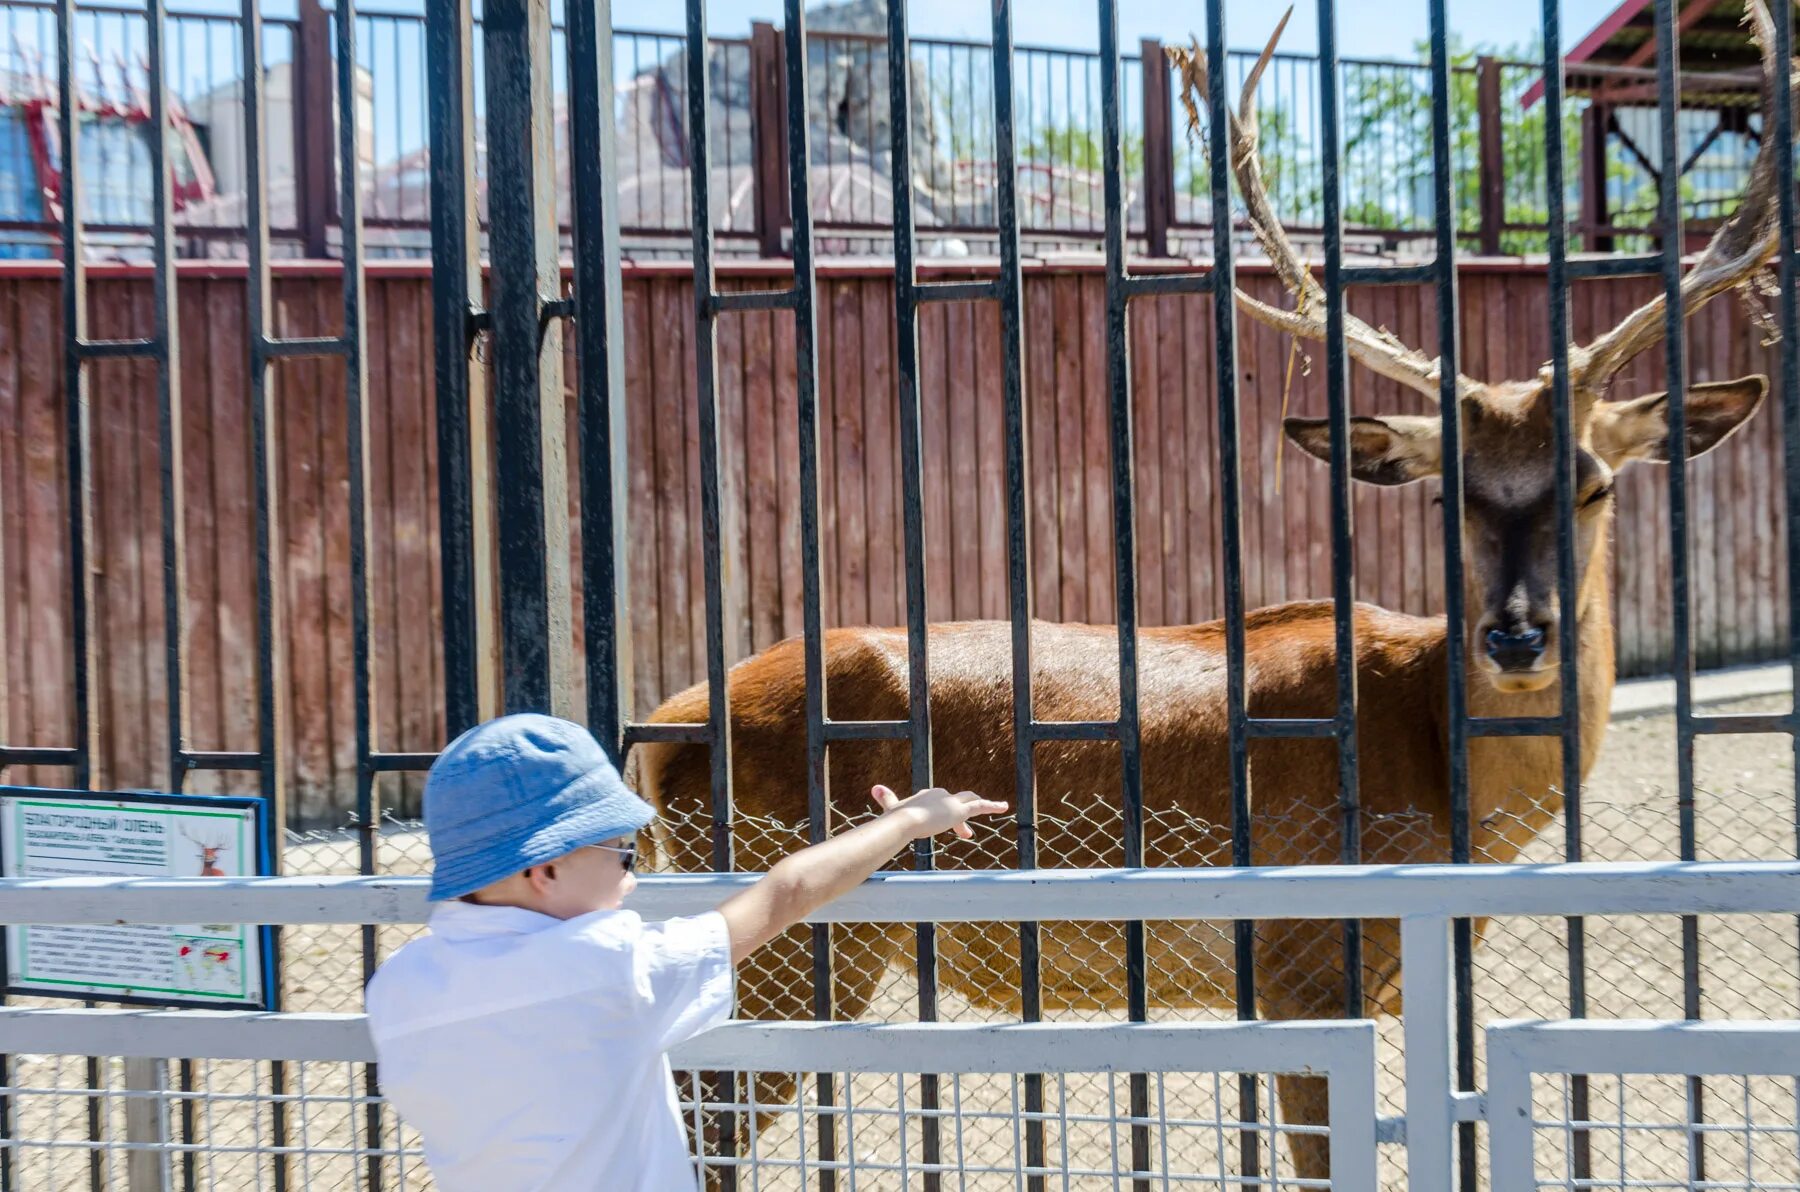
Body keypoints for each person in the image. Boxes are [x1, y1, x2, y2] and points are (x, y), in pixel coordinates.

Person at [364, 712, 1006, 1192]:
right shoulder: (609, 969)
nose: (632, 875)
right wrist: (908, 821)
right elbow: (787, 893)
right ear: (548, 868)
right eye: (621, 851)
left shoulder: (398, 987)